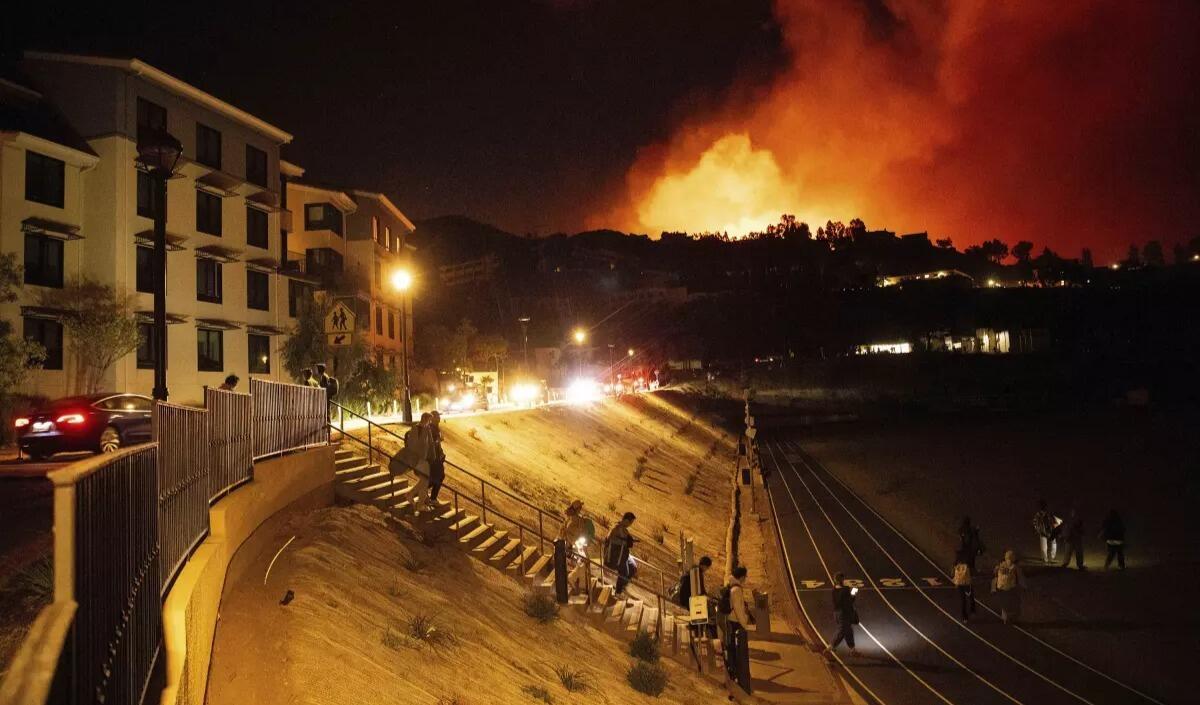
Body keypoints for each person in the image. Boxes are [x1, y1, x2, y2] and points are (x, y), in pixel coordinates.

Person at [721, 566, 753, 693]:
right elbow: (738, 609)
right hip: (735, 621)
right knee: (736, 649)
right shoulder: (736, 590)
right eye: (745, 576)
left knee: (732, 648)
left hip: (732, 620)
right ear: (741, 577)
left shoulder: (732, 586)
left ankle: (734, 671)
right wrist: (744, 624)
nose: (745, 579)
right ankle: (735, 672)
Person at [394, 413, 433, 510]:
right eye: (429, 420)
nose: (430, 423)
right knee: (425, 481)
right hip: (417, 460)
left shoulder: (424, 429)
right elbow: (414, 445)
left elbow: (427, 445)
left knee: (424, 481)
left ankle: (412, 496)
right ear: (425, 419)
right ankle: (418, 503)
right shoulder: (417, 429)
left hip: (421, 460)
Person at [824, 573, 861, 658]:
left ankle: (853, 650)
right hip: (844, 614)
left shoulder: (833, 590)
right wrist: (854, 594)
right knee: (841, 631)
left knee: (848, 631)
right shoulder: (845, 589)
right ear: (842, 580)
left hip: (836, 614)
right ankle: (829, 648)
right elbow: (849, 602)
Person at [604, 512, 637, 595]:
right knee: (624, 572)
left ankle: (622, 588)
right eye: (630, 522)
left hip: (623, 554)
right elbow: (610, 539)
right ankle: (618, 592)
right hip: (616, 555)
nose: (630, 525)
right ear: (626, 520)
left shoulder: (623, 529)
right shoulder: (616, 528)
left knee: (633, 567)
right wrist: (625, 542)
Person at [992, 549, 1024, 623]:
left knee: (1003, 601)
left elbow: (994, 573)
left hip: (1000, 587)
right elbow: (1018, 577)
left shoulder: (1000, 565)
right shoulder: (1014, 567)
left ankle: (1005, 616)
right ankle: (1008, 615)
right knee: (1011, 601)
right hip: (1010, 587)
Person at [426, 411, 446, 508]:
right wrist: (438, 440)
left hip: (437, 457)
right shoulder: (430, 428)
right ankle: (429, 496)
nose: (439, 418)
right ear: (432, 418)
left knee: (438, 477)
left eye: (439, 416)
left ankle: (426, 494)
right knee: (439, 476)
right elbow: (431, 444)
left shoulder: (436, 428)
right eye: (437, 416)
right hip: (433, 459)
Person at [952, 549, 976, 621]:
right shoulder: (964, 566)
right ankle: (969, 613)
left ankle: (968, 614)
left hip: (963, 584)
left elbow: (954, 574)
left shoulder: (958, 566)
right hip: (965, 584)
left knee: (966, 599)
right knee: (966, 599)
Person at [1033, 500, 1059, 564]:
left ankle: (1048, 558)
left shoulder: (1046, 513)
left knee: (1050, 544)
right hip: (1044, 531)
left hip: (1049, 531)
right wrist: (1038, 530)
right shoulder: (1039, 514)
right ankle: (1046, 558)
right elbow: (1035, 523)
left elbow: (1054, 520)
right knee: (1045, 545)